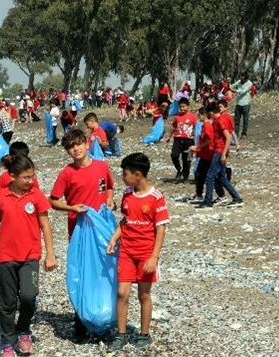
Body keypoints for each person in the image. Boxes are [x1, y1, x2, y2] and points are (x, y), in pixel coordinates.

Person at [0, 155, 57, 357]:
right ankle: (7, 341)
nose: (30, 181)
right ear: (13, 176)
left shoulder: (36, 195)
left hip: (30, 255)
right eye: (25, 177)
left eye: (32, 176)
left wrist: (50, 254)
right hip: (5, 255)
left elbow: (45, 225)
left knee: (28, 296)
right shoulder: (0, 194)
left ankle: (23, 330)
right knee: (7, 302)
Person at [49, 128, 115, 339]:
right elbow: (53, 200)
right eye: (70, 147)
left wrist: (110, 198)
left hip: (103, 230)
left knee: (105, 271)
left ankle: (105, 317)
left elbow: (110, 187)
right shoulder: (67, 173)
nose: (75, 149)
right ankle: (81, 321)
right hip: (79, 231)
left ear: (87, 144)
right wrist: (72, 208)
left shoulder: (101, 166)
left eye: (78, 144)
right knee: (82, 273)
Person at [106, 152, 170, 351]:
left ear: (138, 174)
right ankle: (121, 334)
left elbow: (161, 228)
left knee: (144, 294)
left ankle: (144, 334)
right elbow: (125, 220)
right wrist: (114, 239)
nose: (123, 177)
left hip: (146, 254)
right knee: (122, 292)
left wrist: (154, 257)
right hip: (126, 250)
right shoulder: (127, 193)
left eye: (125, 174)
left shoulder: (156, 197)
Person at [0, 141, 41, 236]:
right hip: (9, 222)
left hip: (28, 221)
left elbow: (38, 199)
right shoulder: (4, 177)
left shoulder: (31, 179)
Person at [196, 103, 244, 208]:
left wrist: (223, 154)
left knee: (210, 175)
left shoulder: (221, 121)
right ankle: (237, 198)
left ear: (211, 112)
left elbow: (227, 137)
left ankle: (207, 201)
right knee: (222, 177)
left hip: (219, 150)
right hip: (218, 150)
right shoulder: (217, 121)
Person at [164, 98, 197, 183]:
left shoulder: (193, 117)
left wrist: (197, 141)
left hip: (189, 140)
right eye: (180, 106)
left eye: (183, 106)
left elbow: (197, 129)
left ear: (188, 107)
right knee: (174, 155)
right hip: (178, 139)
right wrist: (168, 137)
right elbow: (173, 127)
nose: (182, 108)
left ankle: (185, 176)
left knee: (187, 159)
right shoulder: (177, 117)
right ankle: (179, 169)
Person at [229, 72, 253, 140]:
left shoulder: (249, 83)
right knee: (236, 120)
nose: (241, 80)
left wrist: (234, 90)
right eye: (240, 78)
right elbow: (232, 86)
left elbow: (243, 91)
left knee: (245, 120)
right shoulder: (239, 81)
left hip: (246, 103)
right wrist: (230, 87)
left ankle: (244, 133)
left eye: (242, 79)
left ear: (245, 79)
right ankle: (236, 134)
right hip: (238, 103)